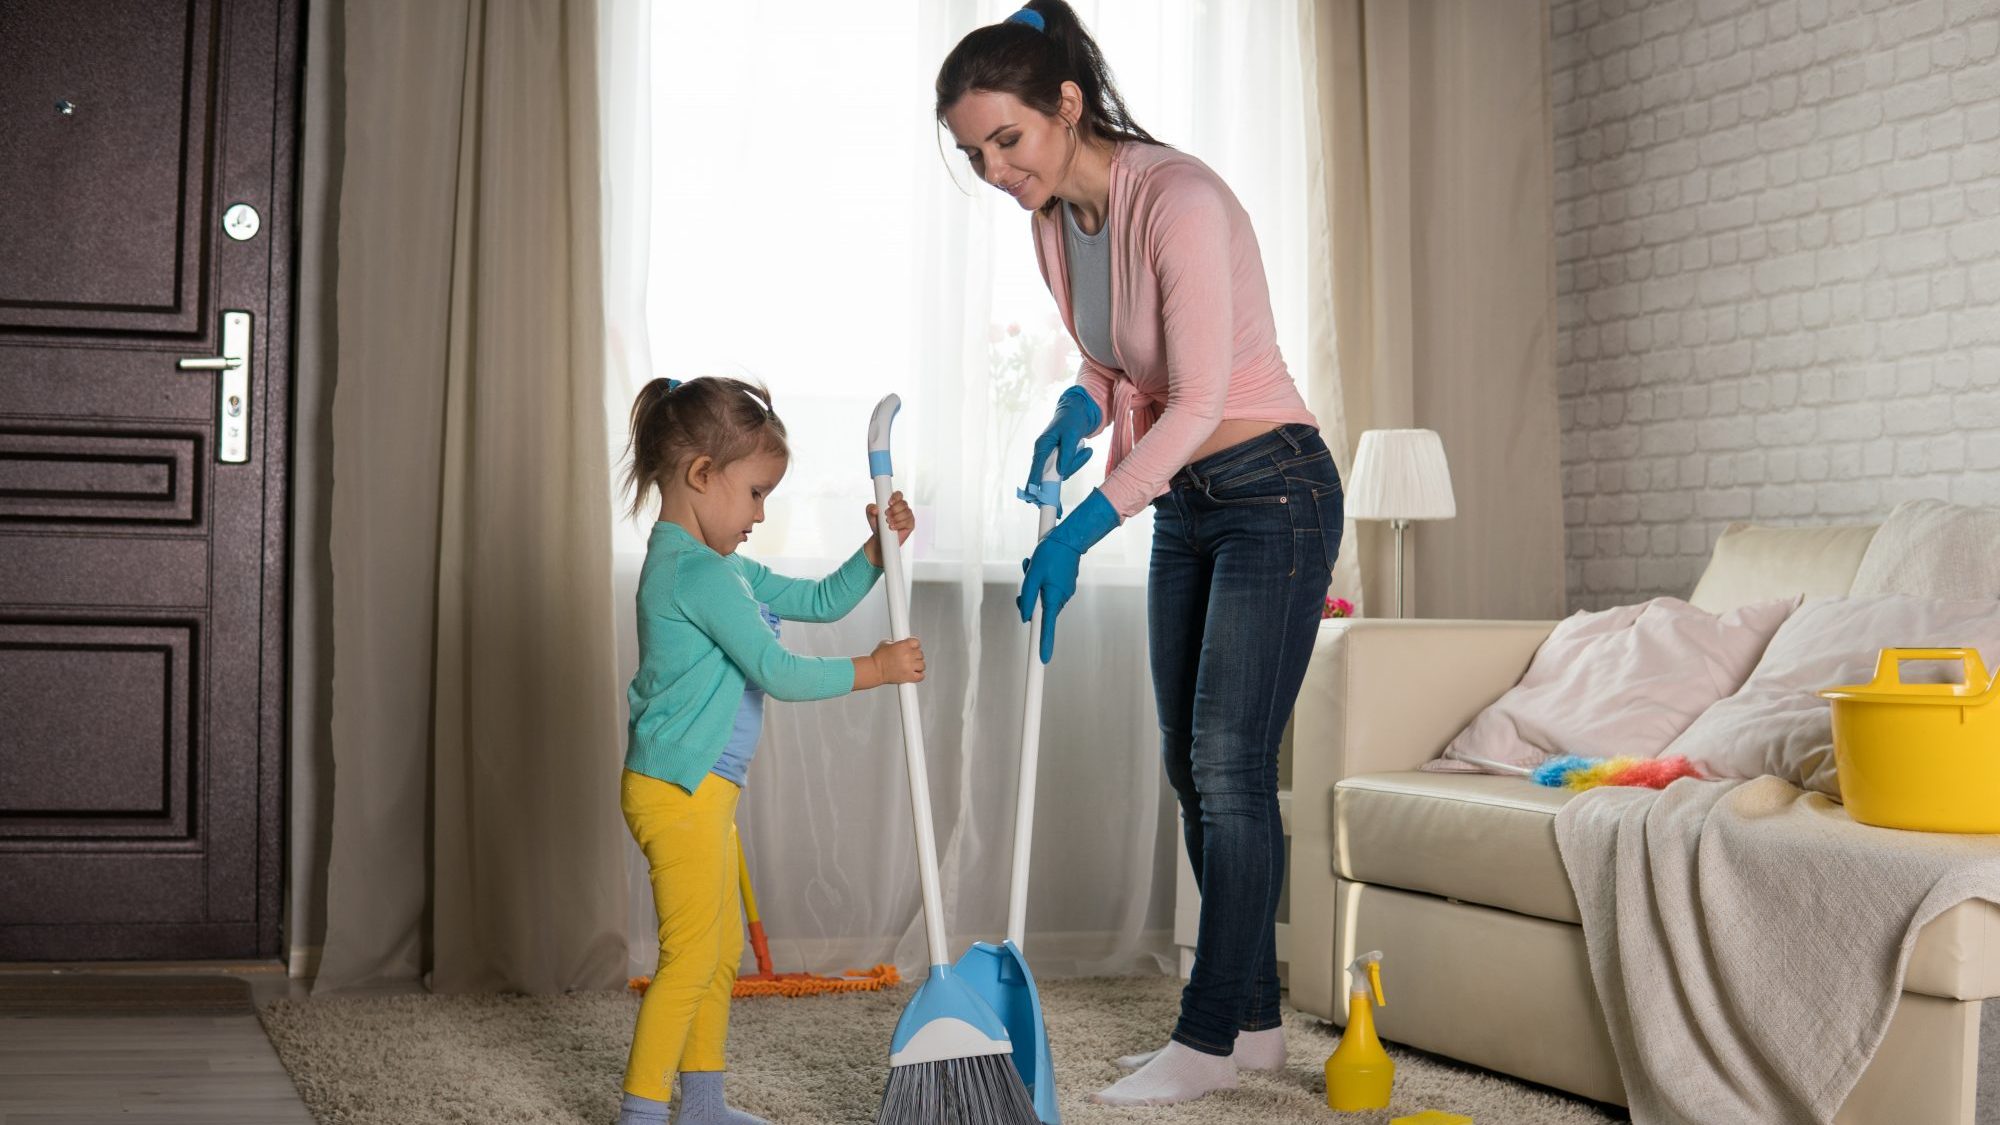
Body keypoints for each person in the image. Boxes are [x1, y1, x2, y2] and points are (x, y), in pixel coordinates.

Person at [938, 2, 1342, 1108]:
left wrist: (1083, 521)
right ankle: (1252, 1023)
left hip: (1273, 493)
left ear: (1066, 107)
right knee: (1190, 768)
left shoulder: (1183, 199)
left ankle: (1207, 1035)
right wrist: (1078, 408)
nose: (993, 169)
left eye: (1006, 140)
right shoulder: (1049, 223)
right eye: (974, 153)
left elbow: (1206, 391)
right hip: (1188, 500)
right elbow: (1126, 365)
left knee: (1227, 768)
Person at [614, 376, 922, 1125]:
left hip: (705, 793)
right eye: (755, 493)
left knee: (718, 955)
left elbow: (815, 602)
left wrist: (875, 553)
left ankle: (706, 1106)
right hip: (679, 793)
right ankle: (643, 1114)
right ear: (699, 475)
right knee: (689, 960)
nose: (760, 514)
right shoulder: (696, 573)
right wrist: (872, 670)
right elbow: (777, 671)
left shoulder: (718, 568)